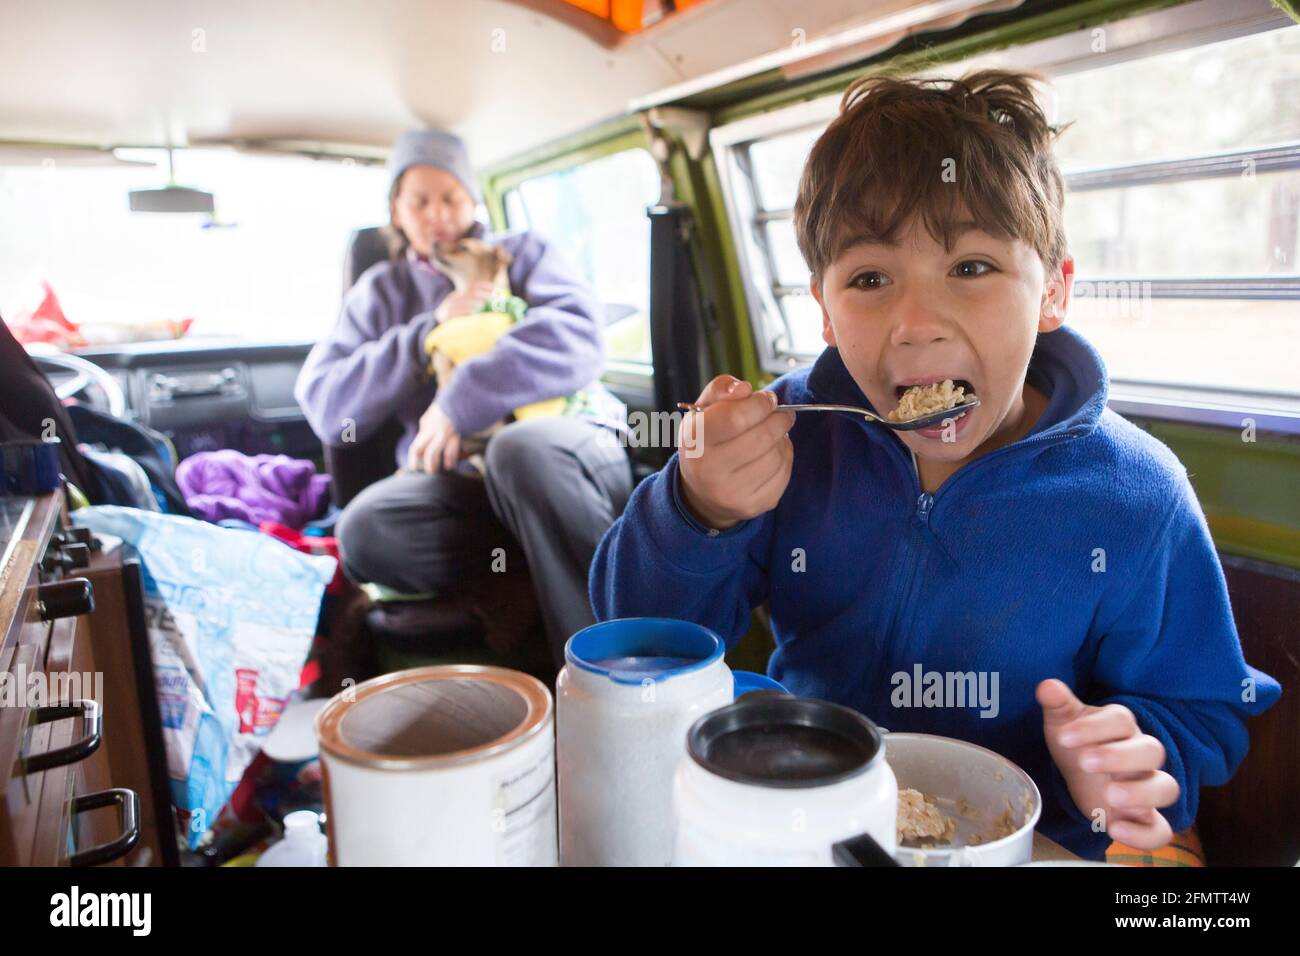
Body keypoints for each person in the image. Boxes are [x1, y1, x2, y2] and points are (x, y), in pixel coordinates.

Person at [588, 70, 1281, 859]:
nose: (917, 325)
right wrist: (695, 507)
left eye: (972, 268)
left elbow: (1204, 711)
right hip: (804, 816)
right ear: (822, 305)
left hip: (1018, 842)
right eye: (871, 279)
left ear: (1053, 290)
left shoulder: (1137, 498)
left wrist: (1128, 756)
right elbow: (632, 640)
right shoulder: (792, 435)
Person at [296, 129, 632, 666]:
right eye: (419, 201)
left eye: (450, 197)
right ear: (395, 211)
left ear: (472, 200)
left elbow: (580, 338)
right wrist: (427, 333)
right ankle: (531, 571)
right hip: (464, 491)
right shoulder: (381, 292)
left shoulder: (521, 254)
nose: (437, 214)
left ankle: (608, 670)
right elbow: (327, 406)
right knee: (364, 531)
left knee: (519, 450)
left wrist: (462, 400)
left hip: (567, 447)